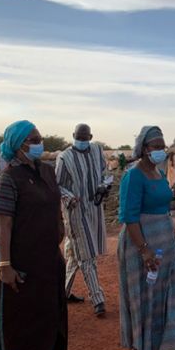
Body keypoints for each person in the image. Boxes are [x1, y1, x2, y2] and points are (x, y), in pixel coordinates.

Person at [0, 120, 85, 350]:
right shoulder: (9, 179)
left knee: (54, 312)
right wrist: (5, 265)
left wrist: (59, 228)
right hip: (15, 257)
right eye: (33, 139)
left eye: (39, 138)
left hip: (46, 257)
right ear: (17, 146)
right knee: (5, 314)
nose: (40, 143)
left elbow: (54, 206)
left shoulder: (48, 172)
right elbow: (4, 224)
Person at [118, 126, 175, 350]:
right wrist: (144, 249)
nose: (161, 150)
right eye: (156, 146)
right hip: (141, 240)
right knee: (147, 293)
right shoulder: (134, 176)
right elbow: (129, 217)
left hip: (165, 240)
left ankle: (174, 340)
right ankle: (146, 346)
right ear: (144, 149)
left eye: (163, 146)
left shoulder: (159, 173)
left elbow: (165, 211)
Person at [55, 124, 108, 317]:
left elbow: (105, 172)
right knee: (86, 256)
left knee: (76, 254)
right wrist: (70, 197)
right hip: (76, 212)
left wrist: (104, 185)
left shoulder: (96, 150)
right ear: (73, 136)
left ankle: (62, 293)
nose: (81, 140)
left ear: (91, 137)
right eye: (78, 137)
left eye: (85, 137)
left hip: (94, 209)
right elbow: (58, 185)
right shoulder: (64, 157)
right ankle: (98, 298)